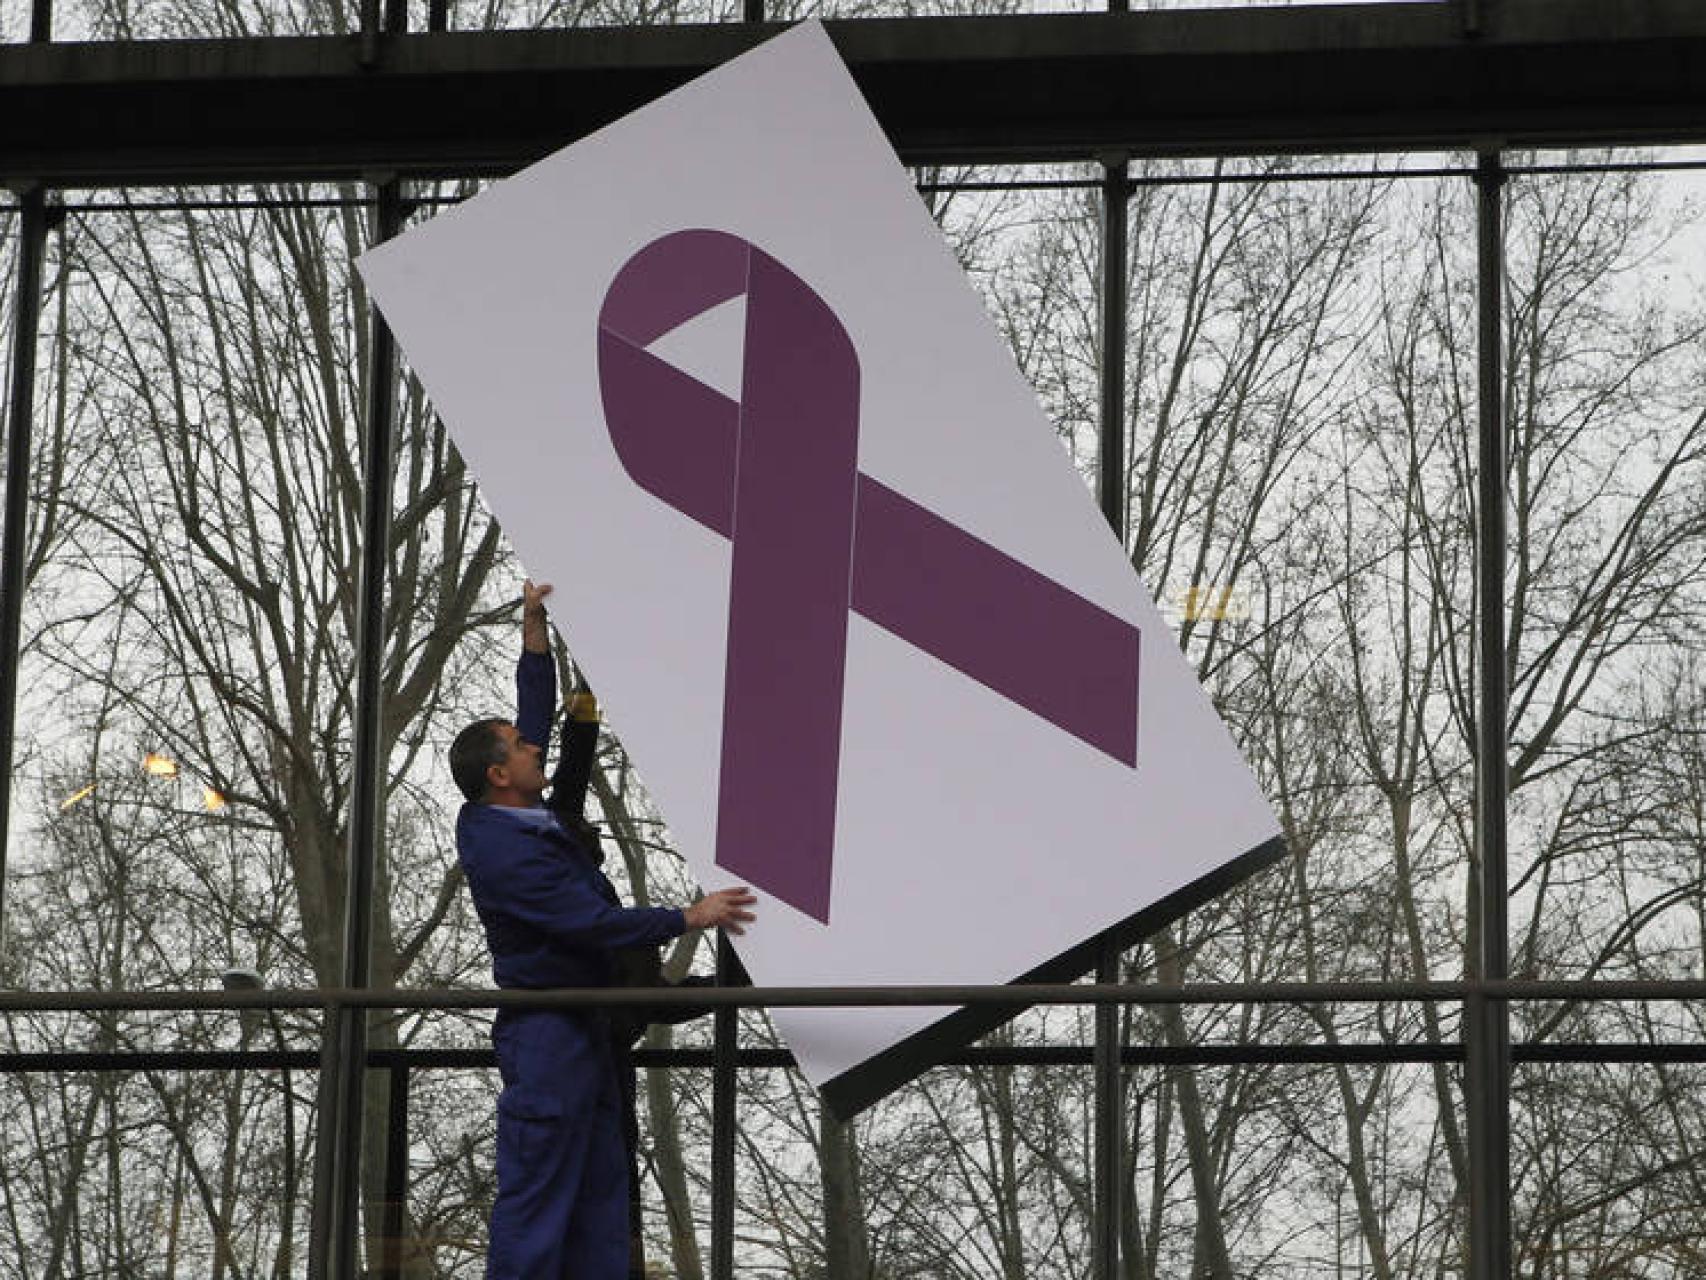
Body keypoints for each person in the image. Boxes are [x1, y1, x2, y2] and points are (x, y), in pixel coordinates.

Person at [452, 580, 756, 1280]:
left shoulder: (522, 812)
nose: (539, 748)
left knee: (599, 1197)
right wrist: (690, 916)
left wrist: (534, 633)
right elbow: (589, 924)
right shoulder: (506, 852)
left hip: (588, 1030)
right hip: (551, 1035)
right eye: (525, 748)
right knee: (540, 1203)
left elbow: (534, 717)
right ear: (501, 775)